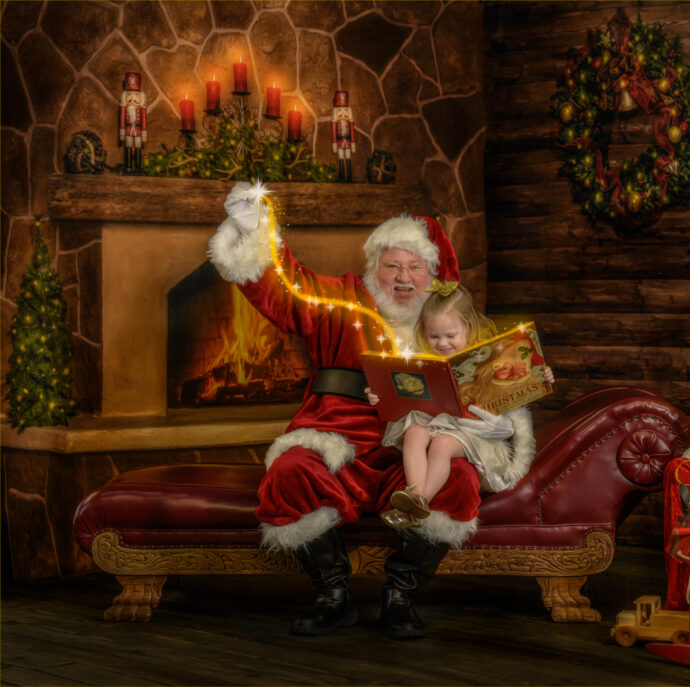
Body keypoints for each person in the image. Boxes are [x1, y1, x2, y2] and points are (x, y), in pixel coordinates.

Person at [208, 181, 479, 641]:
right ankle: (333, 595)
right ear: (374, 266)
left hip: (414, 447)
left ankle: (401, 595)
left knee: (458, 481)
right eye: (392, 264)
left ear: (431, 274)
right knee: (290, 472)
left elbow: (480, 381)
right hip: (338, 435)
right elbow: (287, 288)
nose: (403, 276)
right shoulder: (340, 299)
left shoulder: (446, 320)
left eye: (415, 267)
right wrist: (254, 227)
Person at [364, 282, 553, 530]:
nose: (442, 343)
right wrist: (379, 394)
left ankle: (417, 504)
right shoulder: (424, 359)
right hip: (433, 422)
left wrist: (543, 374)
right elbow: (400, 395)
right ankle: (414, 494)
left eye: (450, 336)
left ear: (469, 327)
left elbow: (517, 398)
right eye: (434, 336)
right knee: (414, 432)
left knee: (442, 445)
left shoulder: (490, 360)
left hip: (473, 432)